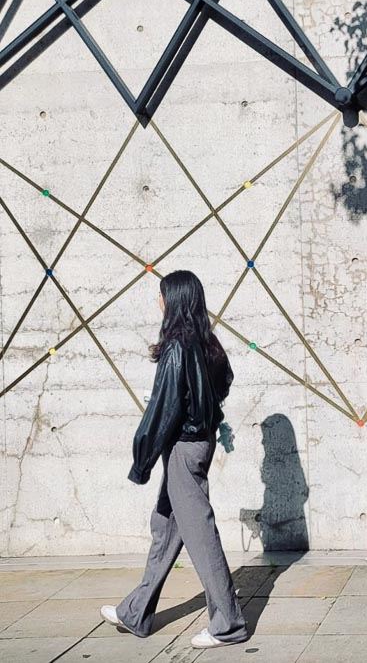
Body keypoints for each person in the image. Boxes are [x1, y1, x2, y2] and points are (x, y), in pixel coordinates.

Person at [99, 269, 250, 648]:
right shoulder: (206, 341)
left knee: (200, 534)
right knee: (165, 527)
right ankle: (136, 612)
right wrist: (203, 407)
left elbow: (162, 410)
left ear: (175, 300)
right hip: (198, 443)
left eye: (162, 294)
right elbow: (225, 379)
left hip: (184, 448)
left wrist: (142, 461)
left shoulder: (177, 348)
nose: (159, 301)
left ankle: (229, 624)